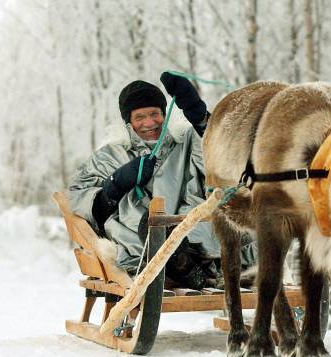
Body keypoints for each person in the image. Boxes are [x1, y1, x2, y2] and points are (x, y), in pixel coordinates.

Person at [68, 72, 256, 289]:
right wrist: (116, 184)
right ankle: (183, 266)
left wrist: (200, 117)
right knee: (147, 226)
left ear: (164, 114)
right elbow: (81, 201)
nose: (149, 123)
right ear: (128, 121)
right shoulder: (109, 156)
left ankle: (185, 264)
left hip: (193, 229)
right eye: (140, 117)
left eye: (155, 114)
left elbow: (223, 157)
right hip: (136, 238)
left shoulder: (184, 141)